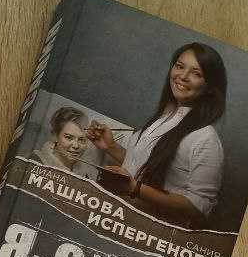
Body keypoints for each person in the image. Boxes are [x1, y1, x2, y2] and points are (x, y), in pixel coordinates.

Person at [87, 42, 226, 228]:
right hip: (122, 217)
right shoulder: (164, 116)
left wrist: (135, 188)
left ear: (210, 87)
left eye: (196, 74)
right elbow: (146, 167)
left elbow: (200, 207)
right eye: (179, 66)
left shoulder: (206, 138)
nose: (183, 76)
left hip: (150, 229)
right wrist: (110, 147)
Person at [30, 107, 96, 179]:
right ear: (55, 136)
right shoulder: (33, 163)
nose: (76, 145)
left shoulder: (85, 177)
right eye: (69, 137)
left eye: (81, 140)